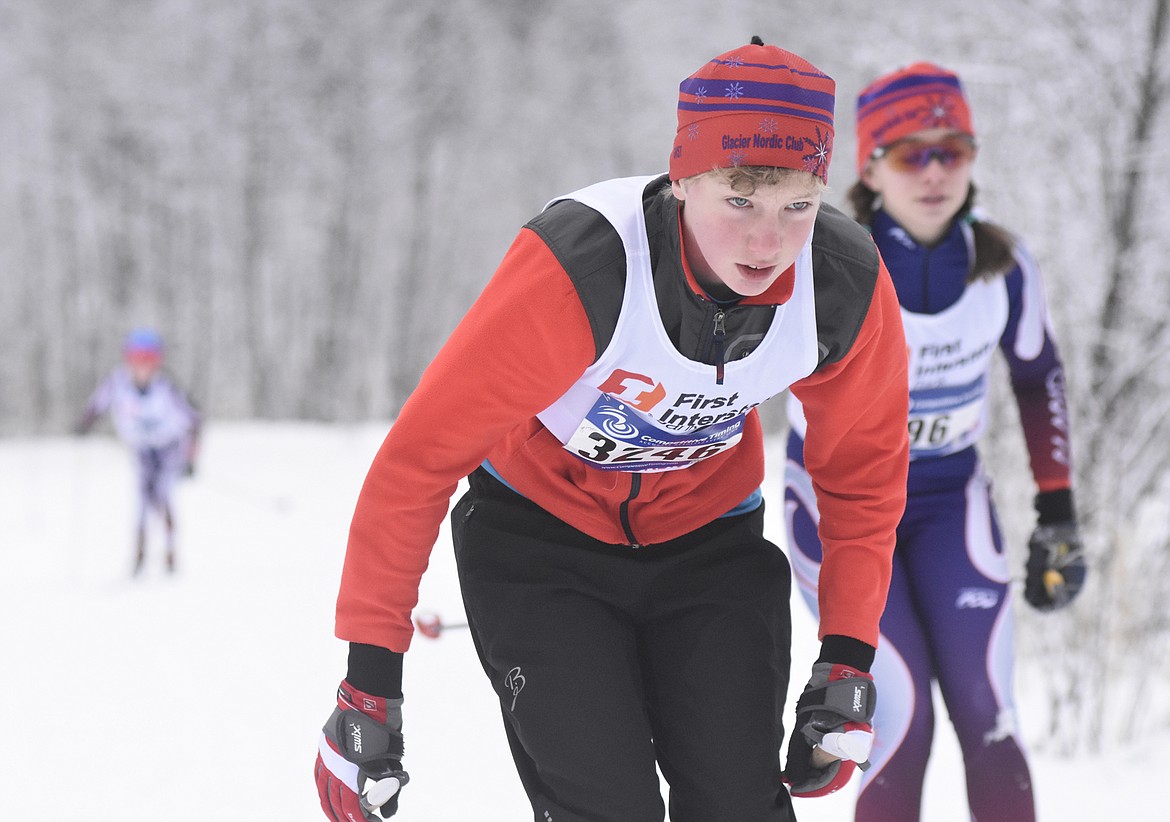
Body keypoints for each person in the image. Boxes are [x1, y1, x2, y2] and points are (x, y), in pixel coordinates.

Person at [315, 37, 910, 822]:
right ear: (684, 180)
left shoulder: (842, 285)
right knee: (609, 806)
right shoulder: (585, 267)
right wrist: (370, 682)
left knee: (737, 804)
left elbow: (862, 478)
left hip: (709, 548)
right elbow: (419, 462)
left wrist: (847, 660)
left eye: (797, 206)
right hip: (539, 544)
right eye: (739, 200)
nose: (768, 243)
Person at [783, 62, 1086, 821]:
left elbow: (1038, 374)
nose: (935, 171)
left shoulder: (1005, 266)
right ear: (871, 166)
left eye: (953, 149)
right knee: (900, 719)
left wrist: (1058, 513)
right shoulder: (825, 258)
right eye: (911, 152)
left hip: (951, 497)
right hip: (844, 509)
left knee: (989, 715)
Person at [76, 327, 201, 575]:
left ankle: (170, 552)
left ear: (157, 363)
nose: (143, 367)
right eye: (137, 360)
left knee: (163, 494)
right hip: (141, 449)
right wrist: (84, 423)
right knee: (143, 499)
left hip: (168, 448)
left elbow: (194, 422)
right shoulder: (117, 382)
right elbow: (97, 405)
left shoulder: (167, 388)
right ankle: (140, 555)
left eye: (148, 361)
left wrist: (190, 458)